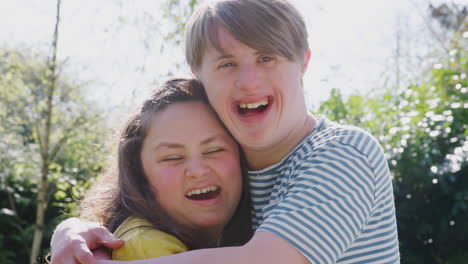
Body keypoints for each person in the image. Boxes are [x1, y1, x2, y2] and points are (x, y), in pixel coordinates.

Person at [51, 0, 400, 263]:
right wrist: (74, 230)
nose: (249, 82)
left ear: (303, 62)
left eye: (267, 58)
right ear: (198, 73)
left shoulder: (343, 153)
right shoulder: (234, 165)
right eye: (227, 63)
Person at [63, 77, 252, 261]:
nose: (198, 170)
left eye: (214, 150)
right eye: (173, 157)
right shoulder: (147, 247)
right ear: (140, 173)